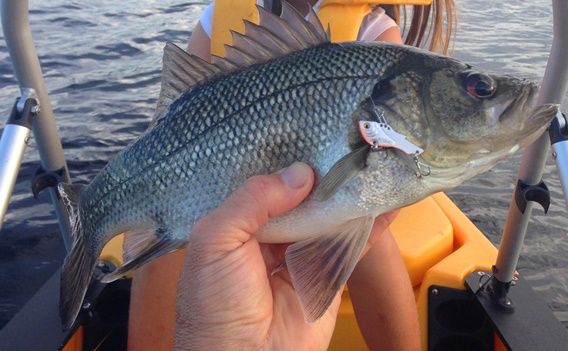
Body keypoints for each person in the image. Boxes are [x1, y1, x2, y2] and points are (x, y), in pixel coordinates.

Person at [128, 1, 456, 350]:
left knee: (371, 238)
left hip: (337, 192)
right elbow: (174, 120)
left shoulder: (374, 30)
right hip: (225, 189)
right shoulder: (216, 19)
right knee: (168, 245)